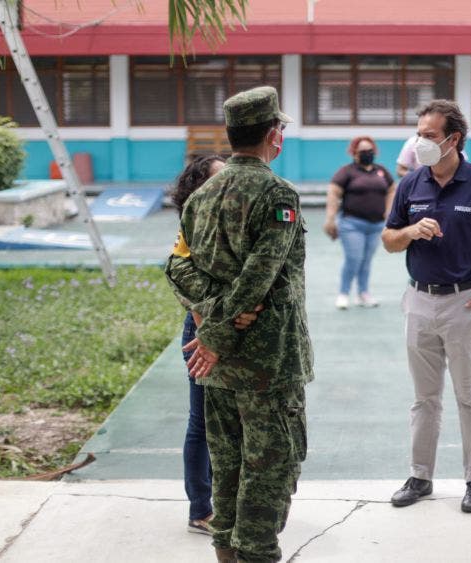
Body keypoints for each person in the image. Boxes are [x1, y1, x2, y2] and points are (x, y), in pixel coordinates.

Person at [164, 86, 313, 563]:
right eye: (281, 129)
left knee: (226, 464)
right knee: (271, 467)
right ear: (274, 135)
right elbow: (259, 278)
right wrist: (219, 329)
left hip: (221, 367)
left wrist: (210, 321)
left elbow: (179, 269)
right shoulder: (277, 193)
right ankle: (256, 553)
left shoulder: (200, 195)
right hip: (266, 361)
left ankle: (226, 552)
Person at [382, 99, 471, 514]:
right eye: (419, 134)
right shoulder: (411, 184)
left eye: (428, 136)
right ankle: (420, 476)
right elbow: (389, 241)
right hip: (420, 300)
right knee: (424, 399)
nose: (420, 143)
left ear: (453, 139)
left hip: (466, 301)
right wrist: (409, 230)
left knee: (470, 396)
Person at [170, 154, 226, 535]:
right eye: (219, 177)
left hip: (225, 333)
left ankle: (221, 501)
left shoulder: (227, 219)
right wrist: (206, 335)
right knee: (201, 422)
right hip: (203, 333)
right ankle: (200, 509)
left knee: (223, 421)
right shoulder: (194, 222)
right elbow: (185, 285)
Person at [324, 136, 396, 309]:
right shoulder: (346, 171)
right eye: (363, 151)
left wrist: (389, 211)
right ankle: (343, 293)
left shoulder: (381, 171)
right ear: (354, 153)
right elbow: (333, 193)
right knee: (354, 259)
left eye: (370, 151)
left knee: (366, 261)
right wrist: (330, 219)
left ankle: (363, 294)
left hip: (376, 225)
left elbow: (392, 189)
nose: (367, 154)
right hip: (351, 224)